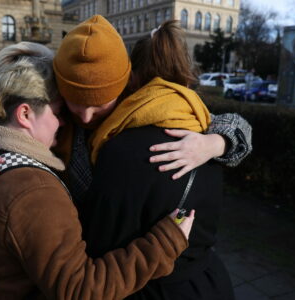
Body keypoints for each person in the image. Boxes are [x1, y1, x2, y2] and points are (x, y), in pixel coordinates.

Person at [0, 15, 251, 296]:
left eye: (100, 104)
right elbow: (8, 135)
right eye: (74, 104)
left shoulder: (141, 111)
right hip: (80, 260)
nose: (87, 116)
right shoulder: (59, 125)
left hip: (120, 272)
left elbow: (236, 126)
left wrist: (214, 143)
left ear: (124, 88)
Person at [0, 42, 195, 300]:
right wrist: (165, 242)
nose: (66, 122)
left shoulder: (1, 160)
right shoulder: (33, 191)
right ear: (24, 114)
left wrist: (219, 141)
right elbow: (80, 289)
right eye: (57, 112)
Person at [78, 20, 237, 299]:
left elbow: (100, 244)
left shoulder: (120, 148)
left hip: (146, 289)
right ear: (185, 73)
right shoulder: (210, 132)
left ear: (133, 77)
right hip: (208, 282)